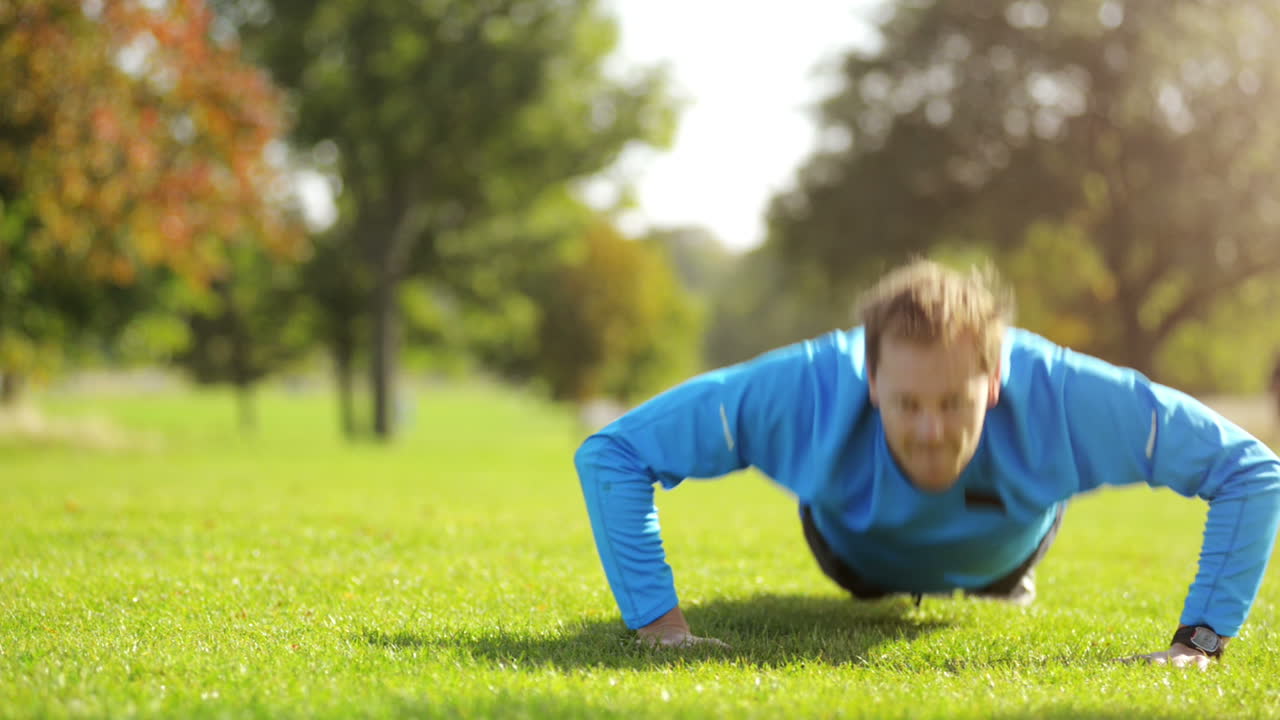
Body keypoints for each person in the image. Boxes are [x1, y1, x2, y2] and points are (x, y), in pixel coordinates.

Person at [573, 259, 1280, 668]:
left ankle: (1007, 576)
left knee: (1010, 538)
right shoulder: (801, 389)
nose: (933, 429)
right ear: (871, 382)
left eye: (954, 402)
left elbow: (1250, 471)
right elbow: (615, 452)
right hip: (853, 552)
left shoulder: (1070, 395)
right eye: (907, 403)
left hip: (1005, 550)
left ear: (995, 380)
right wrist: (660, 626)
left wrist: (1201, 643)